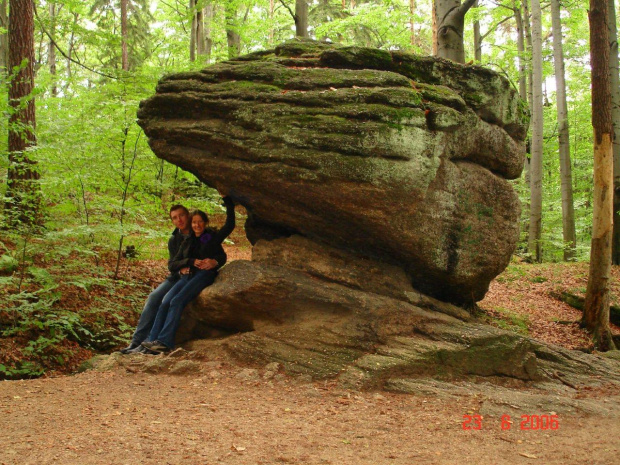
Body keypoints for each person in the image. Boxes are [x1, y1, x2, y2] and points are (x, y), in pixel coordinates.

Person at [140, 196, 236, 354]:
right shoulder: (189, 240)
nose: (197, 225)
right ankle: (152, 341)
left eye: (200, 222)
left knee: (177, 301)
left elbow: (223, 241)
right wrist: (190, 261)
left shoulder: (207, 237)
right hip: (188, 275)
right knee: (165, 301)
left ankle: (165, 342)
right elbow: (173, 263)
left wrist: (229, 203)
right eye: (194, 222)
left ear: (205, 223)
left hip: (204, 275)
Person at [119, 204, 193, 354]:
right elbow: (171, 265)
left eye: (181, 215)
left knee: (166, 300)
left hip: (190, 277)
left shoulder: (199, 232)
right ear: (172, 221)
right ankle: (136, 342)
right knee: (153, 298)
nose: (179, 220)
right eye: (174, 218)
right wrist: (180, 268)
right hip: (175, 277)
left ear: (188, 215)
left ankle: (147, 343)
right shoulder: (174, 239)